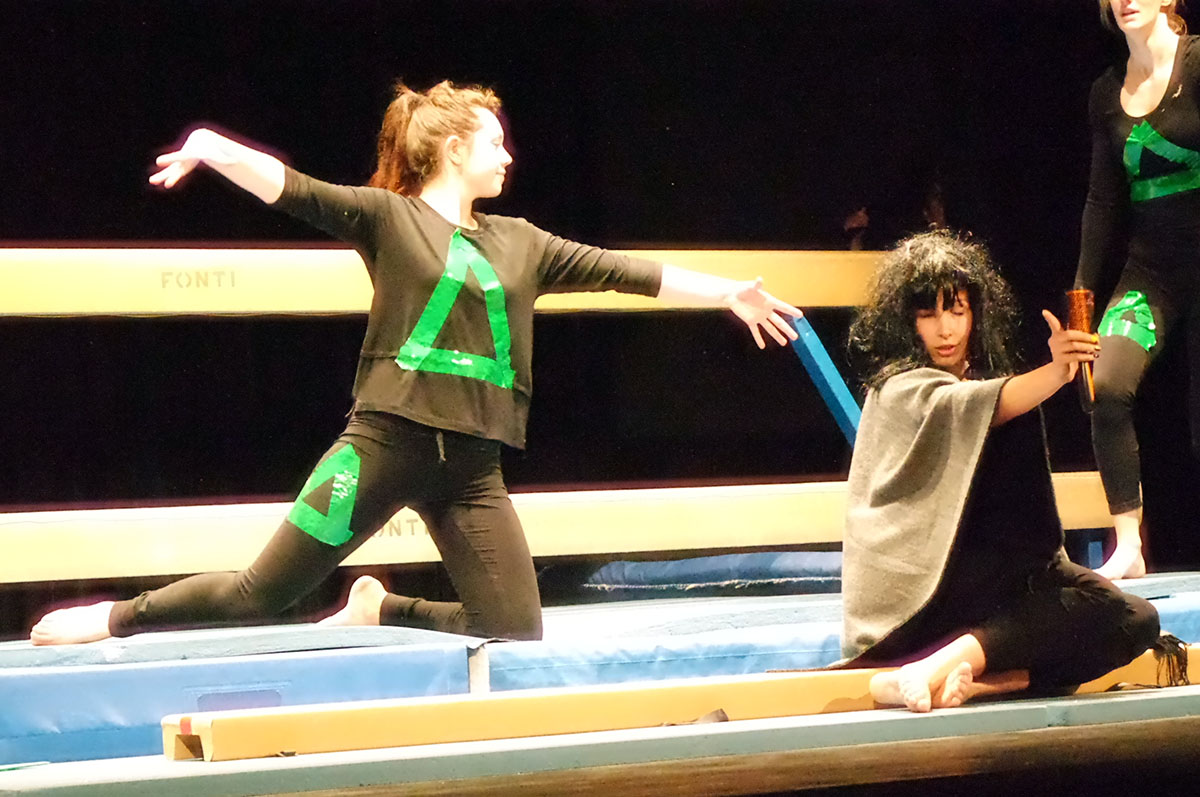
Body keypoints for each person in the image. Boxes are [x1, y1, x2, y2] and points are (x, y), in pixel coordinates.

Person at [30, 80, 803, 646]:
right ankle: (114, 617)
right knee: (262, 592)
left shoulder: (523, 242)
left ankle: (381, 606)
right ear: (454, 149)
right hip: (382, 447)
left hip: (471, 468)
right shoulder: (389, 219)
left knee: (514, 627)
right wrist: (212, 146)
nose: (508, 155)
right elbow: (294, 190)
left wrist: (727, 292)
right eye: (495, 142)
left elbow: (625, 271)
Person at [841, 231, 1160, 713]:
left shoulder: (980, 381)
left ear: (976, 314)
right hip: (925, 598)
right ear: (906, 322)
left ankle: (978, 684)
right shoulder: (897, 390)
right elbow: (985, 403)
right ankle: (926, 669)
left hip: (994, 583)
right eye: (929, 315)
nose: (945, 329)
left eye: (957, 311)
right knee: (1082, 609)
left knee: (1134, 618)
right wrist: (1058, 371)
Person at [1076, 0, 1196, 580]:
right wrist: (1082, 295)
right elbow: (1103, 200)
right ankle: (1129, 545)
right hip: (1152, 273)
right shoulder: (1106, 93)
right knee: (1103, 385)